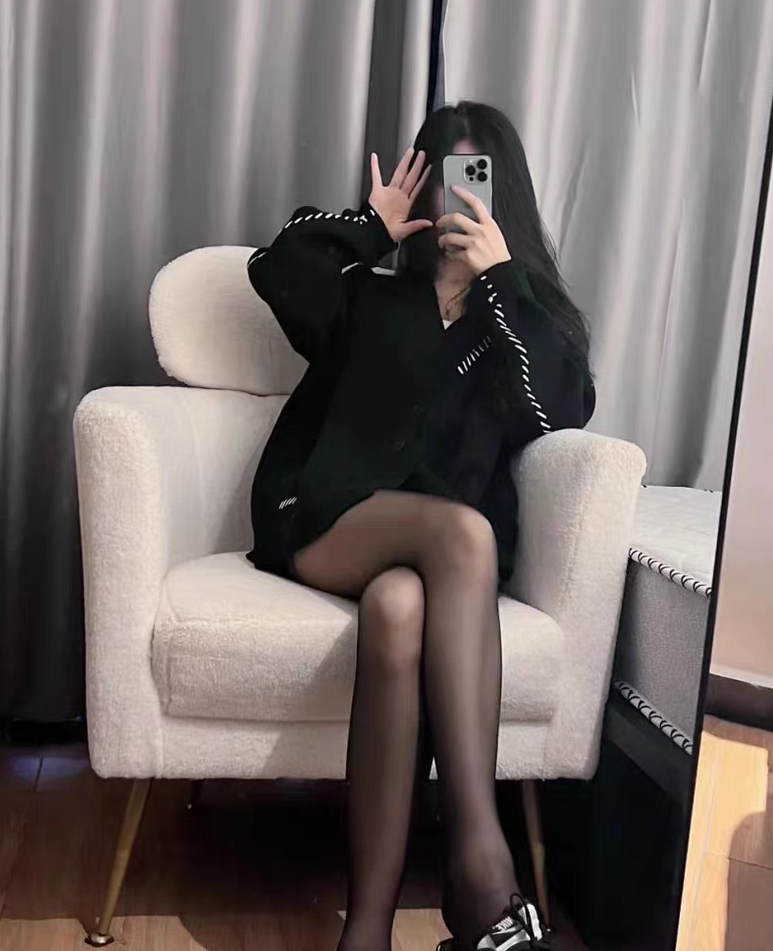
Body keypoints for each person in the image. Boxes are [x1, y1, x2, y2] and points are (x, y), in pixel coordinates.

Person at [245, 101, 595, 951]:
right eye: (446, 176)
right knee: (467, 535)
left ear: (504, 194)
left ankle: (364, 931)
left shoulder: (519, 316)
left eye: (478, 178)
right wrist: (370, 228)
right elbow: (275, 272)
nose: (457, 196)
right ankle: (482, 871)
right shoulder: (370, 295)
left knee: (400, 606)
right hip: (323, 516)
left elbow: (558, 413)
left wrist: (502, 282)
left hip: (422, 561)